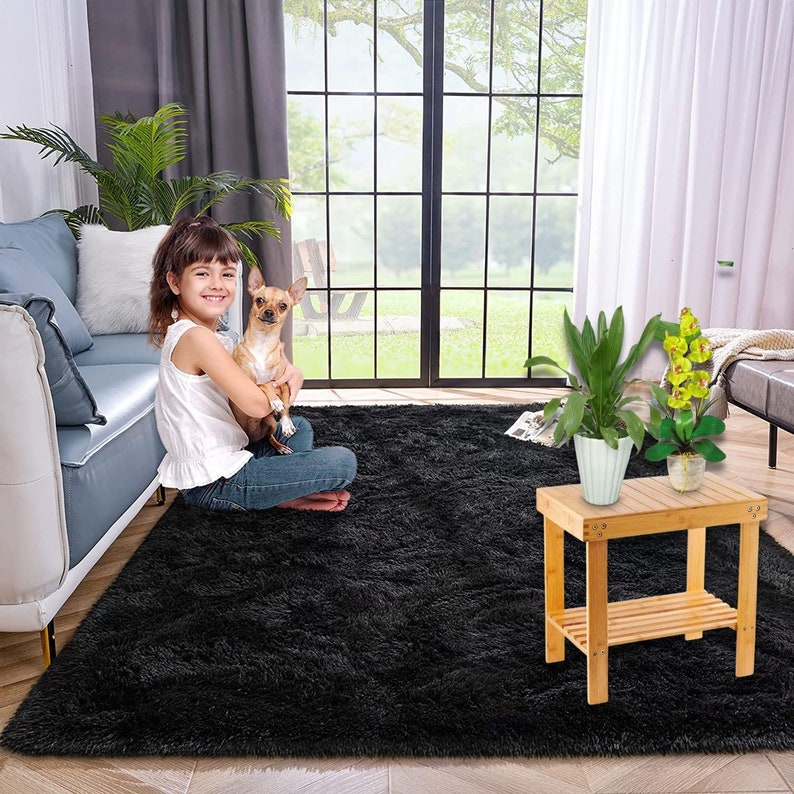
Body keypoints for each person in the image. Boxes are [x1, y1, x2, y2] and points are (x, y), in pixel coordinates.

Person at [148, 216, 356, 511]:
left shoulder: (216, 337)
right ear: (175, 282)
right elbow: (259, 406)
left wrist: (293, 373)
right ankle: (279, 494)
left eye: (228, 274)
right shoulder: (196, 338)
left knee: (299, 427)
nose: (217, 285)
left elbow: (271, 379)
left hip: (235, 453)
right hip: (216, 483)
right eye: (202, 274)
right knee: (343, 463)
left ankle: (279, 491)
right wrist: (286, 386)